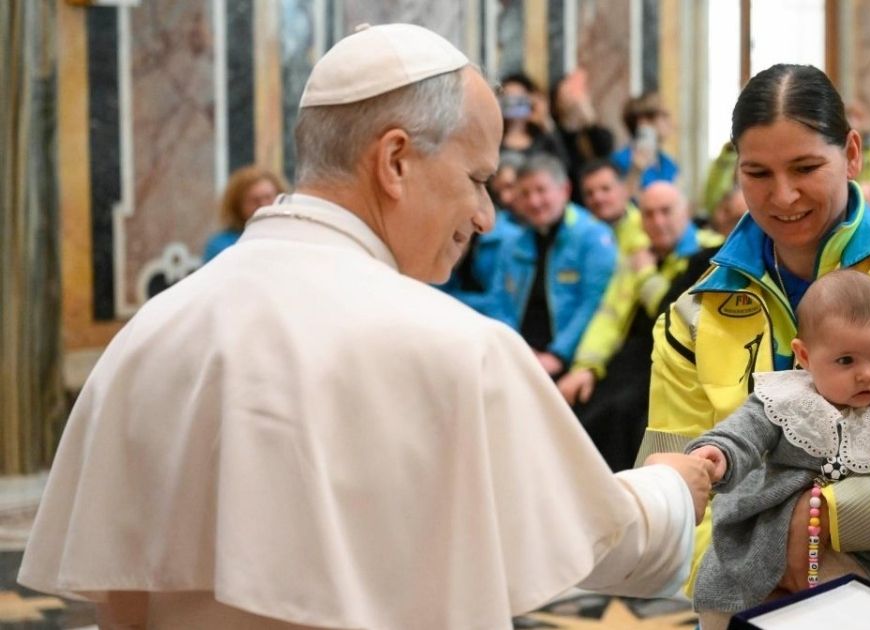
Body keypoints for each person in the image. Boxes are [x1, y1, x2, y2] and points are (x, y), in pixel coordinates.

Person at [18, 24, 715, 630]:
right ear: (395, 160)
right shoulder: (454, 345)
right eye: (476, 179)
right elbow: (604, 542)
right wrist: (672, 484)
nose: (485, 217)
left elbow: (120, 601)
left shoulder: (149, 332)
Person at [640, 63, 870, 596]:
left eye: (804, 168)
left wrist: (825, 525)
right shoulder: (691, 317)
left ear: (850, 154)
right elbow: (673, 492)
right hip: (741, 599)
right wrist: (758, 565)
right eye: (758, 173)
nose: (783, 196)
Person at [686, 270, 870, 630]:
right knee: (723, 610)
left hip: (857, 556)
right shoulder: (784, 398)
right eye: (846, 361)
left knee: (850, 612)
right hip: (762, 540)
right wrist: (719, 453)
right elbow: (745, 431)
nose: (867, 374)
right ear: (805, 356)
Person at [559, 182, 724, 471]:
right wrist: (585, 366)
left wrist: (645, 273)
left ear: (685, 211)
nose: (657, 221)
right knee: (580, 410)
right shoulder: (636, 255)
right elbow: (608, 317)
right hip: (632, 358)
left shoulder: (710, 251)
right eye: (648, 214)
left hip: (680, 364)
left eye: (666, 211)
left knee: (625, 417)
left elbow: (675, 312)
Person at [495, 153, 617, 378]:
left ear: (565, 190)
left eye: (541, 190)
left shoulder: (593, 237)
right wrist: (517, 349)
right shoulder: (511, 244)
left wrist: (558, 355)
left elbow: (593, 304)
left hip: (570, 359)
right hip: (519, 355)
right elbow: (500, 303)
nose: (534, 201)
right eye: (525, 193)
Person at [435, 154, 523, 318]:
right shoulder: (467, 226)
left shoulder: (507, 236)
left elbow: (501, 301)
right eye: (499, 191)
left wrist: (446, 300)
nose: (506, 197)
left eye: (511, 186)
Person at [551, 70, 617, 205]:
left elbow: (604, 153)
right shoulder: (553, 138)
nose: (574, 98)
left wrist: (588, 117)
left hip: (597, 203)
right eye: (568, 93)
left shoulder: (597, 133)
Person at [202, 165, 285, 262]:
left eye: (268, 197)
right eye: (254, 201)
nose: (263, 205)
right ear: (237, 206)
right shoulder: (222, 247)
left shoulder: (294, 234)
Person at [579, 159, 649, 258]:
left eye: (605, 189)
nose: (597, 198)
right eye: (589, 193)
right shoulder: (578, 234)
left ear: (625, 189)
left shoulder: (647, 225)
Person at [499, 72, 569, 168]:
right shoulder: (494, 140)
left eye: (519, 100)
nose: (512, 104)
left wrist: (544, 120)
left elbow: (563, 166)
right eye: (508, 99)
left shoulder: (542, 140)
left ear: (530, 101)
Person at [612, 92, 679, 192]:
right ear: (644, 121)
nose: (671, 122)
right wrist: (635, 172)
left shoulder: (669, 164)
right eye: (664, 116)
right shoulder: (619, 161)